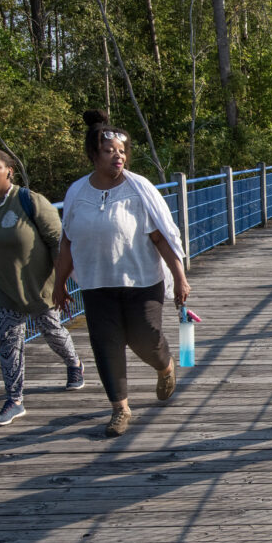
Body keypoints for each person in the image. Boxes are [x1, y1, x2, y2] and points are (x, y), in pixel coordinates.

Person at [53, 110, 190, 437]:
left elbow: (161, 237)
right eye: (109, 150)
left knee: (145, 337)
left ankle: (165, 365)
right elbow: (67, 242)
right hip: (96, 284)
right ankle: (120, 409)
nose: (119, 155)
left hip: (142, 281)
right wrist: (58, 285)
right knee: (106, 344)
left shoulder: (138, 191)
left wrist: (180, 277)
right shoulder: (77, 194)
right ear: (92, 154)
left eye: (123, 151)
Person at [0, 149, 85, 426]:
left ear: (9, 170)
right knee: (8, 342)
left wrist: (62, 282)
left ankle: (75, 363)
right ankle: (14, 400)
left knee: (52, 330)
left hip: (40, 283)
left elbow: (58, 241)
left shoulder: (29, 201)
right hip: (2, 287)